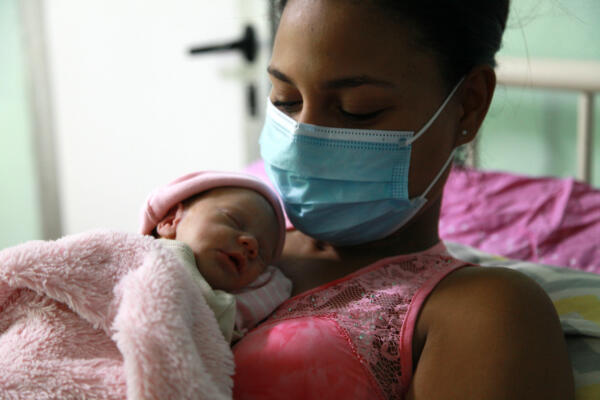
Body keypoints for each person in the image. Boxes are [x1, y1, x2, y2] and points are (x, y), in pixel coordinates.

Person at [231, 0, 575, 399]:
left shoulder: (486, 311)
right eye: (284, 99)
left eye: (357, 110)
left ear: (469, 105)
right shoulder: (224, 233)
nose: (300, 143)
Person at [139, 170, 292, 342]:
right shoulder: (143, 256)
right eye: (233, 220)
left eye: (261, 254)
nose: (252, 245)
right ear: (171, 220)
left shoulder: (228, 315)